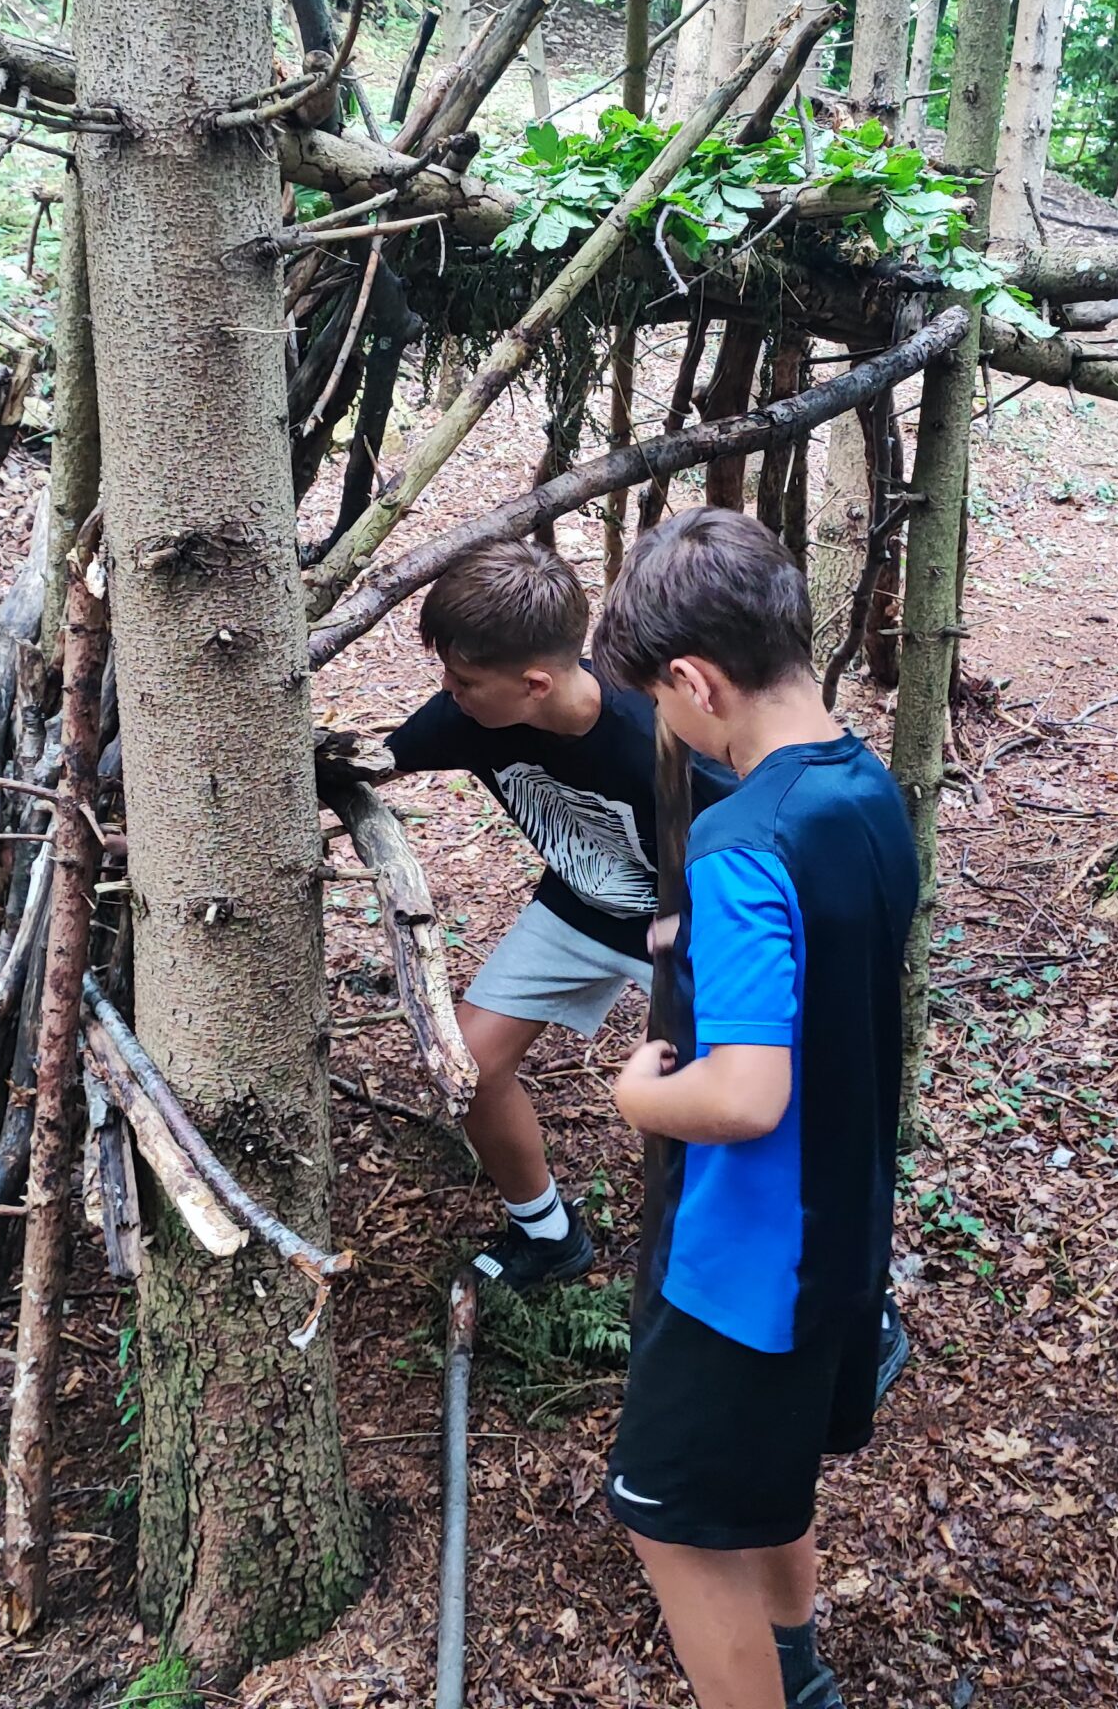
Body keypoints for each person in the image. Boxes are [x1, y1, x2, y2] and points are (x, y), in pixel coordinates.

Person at [589, 508, 917, 1709]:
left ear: (694, 681)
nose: (663, 723)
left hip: (744, 1265)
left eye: (656, 702)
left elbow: (743, 1092)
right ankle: (794, 1668)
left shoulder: (739, 842)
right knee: (765, 1479)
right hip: (838, 1235)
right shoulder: (864, 787)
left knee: (669, 1520)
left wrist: (639, 1093)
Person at [384, 538, 728, 1290]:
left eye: (463, 680)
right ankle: (546, 1234)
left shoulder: (660, 739)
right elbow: (373, 761)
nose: (447, 693)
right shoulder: (471, 716)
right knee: (469, 1065)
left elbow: (763, 854)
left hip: (693, 928)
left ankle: (833, 1292)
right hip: (579, 905)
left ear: (534, 684)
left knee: (725, 1104)